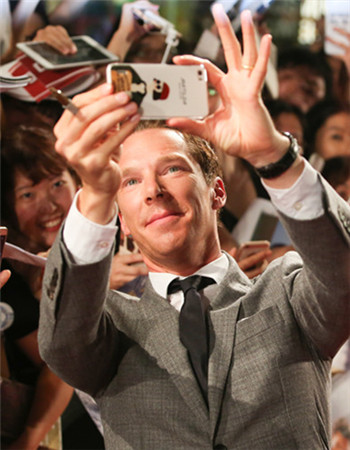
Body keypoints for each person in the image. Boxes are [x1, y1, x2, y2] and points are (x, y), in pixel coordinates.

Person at [38, 5, 350, 449]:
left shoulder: (288, 296)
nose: (152, 190)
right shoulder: (109, 327)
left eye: (172, 169)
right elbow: (62, 344)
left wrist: (272, 156)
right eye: (130, 180)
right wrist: (92, 194)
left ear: (217, 192)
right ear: (120, 218)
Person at [1, 124, 105, 449]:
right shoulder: (8, 279)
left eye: (58, 184)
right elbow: (59, 363)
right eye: (27, 194)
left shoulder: (106, 231)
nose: (50, 206)